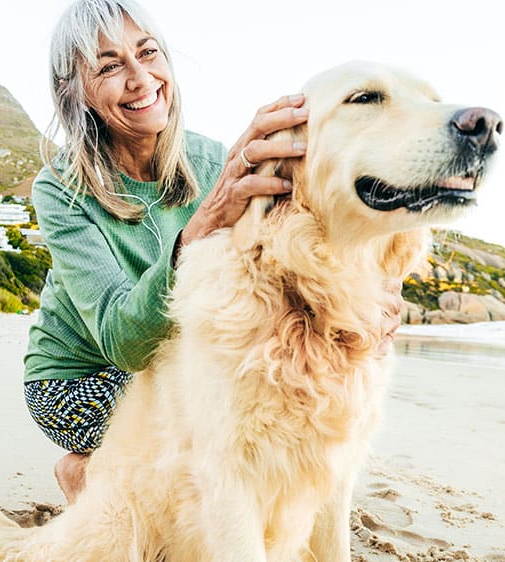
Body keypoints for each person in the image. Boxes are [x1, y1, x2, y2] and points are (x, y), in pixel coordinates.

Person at [23, 0, 318, 504]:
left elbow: (271, 264)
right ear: (78, 94)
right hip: (77, 380)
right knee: (202, 431)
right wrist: (201, 226)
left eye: (148, 52)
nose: (140, 78)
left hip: (176, 361)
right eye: (110, 66)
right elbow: (123, 342)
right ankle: (84, 475)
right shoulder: (59, 190)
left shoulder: (209, 159)